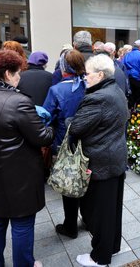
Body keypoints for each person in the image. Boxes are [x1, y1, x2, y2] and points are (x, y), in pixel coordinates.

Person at [0, 51, 54, 267]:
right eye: (18, 73)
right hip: (19, 174)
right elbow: (42, 137)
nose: (20, 77)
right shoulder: (18, 101)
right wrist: (50, 126)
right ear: (8, 74)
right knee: (22, 223)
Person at [69, 54, 128, 267]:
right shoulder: (116, 90)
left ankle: (100, 258)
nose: (85, 78)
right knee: (112, 209)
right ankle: (112, 246)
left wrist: (68, 120)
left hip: (101, 161)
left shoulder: (98, 97)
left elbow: (76, 127)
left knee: (101, 212)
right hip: (115, 157)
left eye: (88, 74)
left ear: (100, 75)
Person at [42, 49, 86, 240]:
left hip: (64, 143)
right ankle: (88, 219)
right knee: (86, 180)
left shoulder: (57, 90)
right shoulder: (89, 85)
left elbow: (45, 116)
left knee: (69, 184)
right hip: (88, 141)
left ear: (63, 68)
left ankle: (70, 226)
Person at [122, 40, 140, 107]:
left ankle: (130, 114)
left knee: (131, 99)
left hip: (129, 79)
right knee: (139, 101)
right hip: (138, 79)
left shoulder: (127, 55)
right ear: (139, 47)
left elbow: (122, 67)